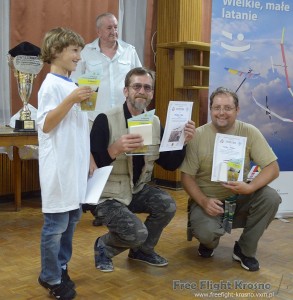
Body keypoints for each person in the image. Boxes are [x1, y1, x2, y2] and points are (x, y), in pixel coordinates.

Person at [89, 67, 195, 272]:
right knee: (137, 233)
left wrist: (183, 142)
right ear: (126, 91)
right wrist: (114, 149)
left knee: (167, 205)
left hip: (136, 189)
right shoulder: (105, 119)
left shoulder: (154, 122)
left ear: (152, 94)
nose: (141, 91)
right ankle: (104, 247)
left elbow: (169, 164)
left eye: (147, 88)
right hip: (107, 194)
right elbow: (91, 169)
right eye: (136, 86)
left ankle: (142, 251)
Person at [180, 87, 281, 272]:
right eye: (217, 107)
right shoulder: (198, 136)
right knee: (207, 234)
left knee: (271, 198)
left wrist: (250, 188)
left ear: (237, 110)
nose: (222, 113)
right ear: (210, 110)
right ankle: (208, 242)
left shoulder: (249, 132)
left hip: (240, 197)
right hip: (208, 199)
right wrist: (203, 201)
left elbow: (273, 168)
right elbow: (186, 176)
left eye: (228, 108)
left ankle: (244, 249)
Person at [37, 27, 97, 299]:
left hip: (75, 167)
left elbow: (79, 126)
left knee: (71, 221)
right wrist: (71, 99)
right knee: (55, 226)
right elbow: (47, 124)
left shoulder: (72, 84)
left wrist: (90, 158)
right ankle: (50, 276)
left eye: (79, 51)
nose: (78, 56)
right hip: (59, 170)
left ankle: (61, 266)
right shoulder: (51, 84)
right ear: (56, 51)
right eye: (74, 50)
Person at [70, 12, 142, 122]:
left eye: (116, 27)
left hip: (123, 117)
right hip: (93, 117)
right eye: (109, 28)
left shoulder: (129, 51)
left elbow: (141, 79)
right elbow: (74, 83)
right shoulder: (85, 52)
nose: (114, 31)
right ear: (99, 32)